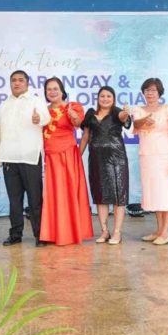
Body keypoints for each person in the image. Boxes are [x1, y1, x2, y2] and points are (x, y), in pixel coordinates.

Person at [0, 70, 51, 247]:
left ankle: (40, 235)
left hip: (30, 156)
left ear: (27, 83)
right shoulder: (5, 104)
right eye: (13, 80)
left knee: (35, 199)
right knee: (14, 200)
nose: (17, 83)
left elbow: (46, 117)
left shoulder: (36, 100)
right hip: (9, 158)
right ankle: (15, 234)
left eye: (21, 80)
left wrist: (38, 118)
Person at [39, 77, 94, 246]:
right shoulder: (42, 110)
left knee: (68, 194)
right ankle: (53, 233)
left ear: (62, 90)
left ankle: (70, 233)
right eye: (49, 89)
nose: (52, 92)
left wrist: (74, 117)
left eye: (55, 88)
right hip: (49, 156)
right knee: (52, 195)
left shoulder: (73, 106)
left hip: (67, 155)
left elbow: (79, 124)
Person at [80, 86, 132, 245]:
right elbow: (85, 136)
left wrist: (125, 115)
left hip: (117, 159)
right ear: (98, 98)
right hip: (96, 159)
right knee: (100, 196)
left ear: (113, 99)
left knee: (118, 195)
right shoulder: (90, 114)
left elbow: (125, 120)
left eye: (109, 96)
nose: (105, 99)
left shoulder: (117, 112)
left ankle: (117, 232)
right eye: (102, 96)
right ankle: (104, 231)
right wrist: (77, 156)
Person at [132, 78, 168, 246]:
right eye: (147, 90)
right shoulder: (138, 110)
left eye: (153, 90)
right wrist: (144, 121)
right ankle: (159, 230)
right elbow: (135, 126)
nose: (150, 93)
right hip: (147, 157)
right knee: (156, 195)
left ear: (159, 92)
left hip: (165, 157)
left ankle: (165, 233)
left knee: (166, 194)